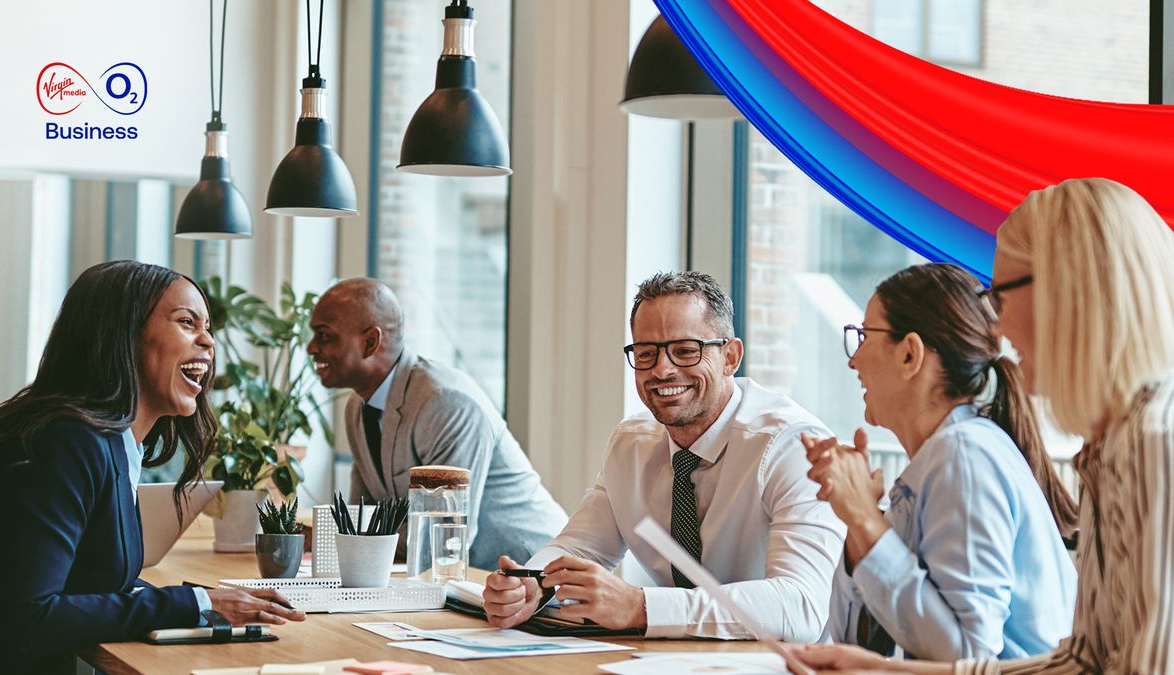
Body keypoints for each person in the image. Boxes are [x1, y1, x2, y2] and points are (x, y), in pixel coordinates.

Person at [794, 177, 1174, 673]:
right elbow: (1082, 662)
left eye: (1002, 298)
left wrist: (867, 523)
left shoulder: (1150, 446)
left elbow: (972, 647)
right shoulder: (1109, 450)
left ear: (1067, 290)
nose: (996, 328)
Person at [0, 261, 305, 673]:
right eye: (187, 322)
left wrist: (205, 604)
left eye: (208, 329)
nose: (208, 342)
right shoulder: (65, 442)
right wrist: (196, 603)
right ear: (123, 335)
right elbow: (27, 616)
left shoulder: (109, 442)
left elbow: (92, 583)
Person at [482, 271, 845, 639]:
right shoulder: (632, 443)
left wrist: (641, 607)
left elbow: (801, 607)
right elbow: (581, 546)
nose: (663, 369)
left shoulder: (793, 446)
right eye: (646, 353)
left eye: (686, 350)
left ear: (730, 357)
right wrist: (533, 585)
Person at [803, 263, 1076, 661]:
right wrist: (857, 520)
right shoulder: (940, 459)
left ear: (910, 353)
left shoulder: (965, 458)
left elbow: (968, 656)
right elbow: (856, 643)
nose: (853, 361)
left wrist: (865, 518)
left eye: (864, 336)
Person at [306, 278, 566, 570]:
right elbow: (357, 525)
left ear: (370, 342)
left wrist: (356, 542)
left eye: (324, 336)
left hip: (534, 576)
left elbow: (443, 540)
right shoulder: (357, 408)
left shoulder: (445, 403)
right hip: (460, 583)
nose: (311, 348)